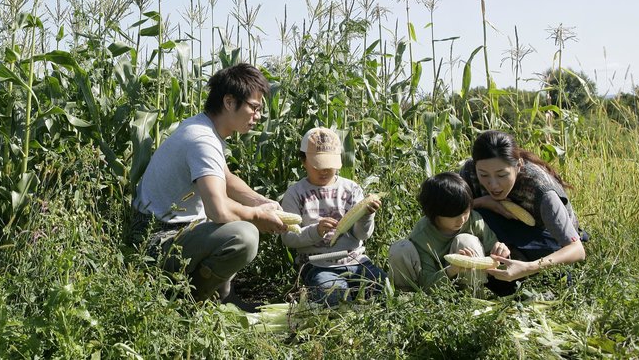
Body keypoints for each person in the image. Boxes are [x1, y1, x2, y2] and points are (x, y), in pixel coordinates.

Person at [130, 63, 287, 302]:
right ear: (229, 102)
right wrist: (256, 216)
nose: (258, 117)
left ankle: (218, 296)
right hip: (155, 239)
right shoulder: (202, 140)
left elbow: (226, 178)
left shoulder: (203, 128)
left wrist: (261, 201)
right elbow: (218, 210)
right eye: (254, 108)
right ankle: (187, 302)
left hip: (179, 230)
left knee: (236, 226)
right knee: (244, 235)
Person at [459, 130, 587, 283]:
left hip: (545, 239)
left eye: (501, 175)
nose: (493, 184)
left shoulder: (541, 191)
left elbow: (577, 249)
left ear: (518, 165)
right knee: (472, 213)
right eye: (484, 175)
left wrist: (528, 267)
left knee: (559, 276)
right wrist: (482, 202)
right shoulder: (469, 172)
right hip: (502, 233)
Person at [280, 127, 386, 306]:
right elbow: (288, 238)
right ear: (303, 161)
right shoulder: (295, 194)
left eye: (329, 166)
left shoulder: (351, 189)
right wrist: (316, 231)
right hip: (316, 265)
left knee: (385, 289)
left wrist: (366, 216)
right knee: (335, 298)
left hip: (355, 260)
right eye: (318, 165)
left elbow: (362, 235)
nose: (324, 171)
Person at [388, 172, 511, 293]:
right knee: (400, 248)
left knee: (466, 240)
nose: (462, 219)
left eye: (465, 212)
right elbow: (426, 283)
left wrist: (501, 253)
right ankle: (404, 296)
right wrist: (452, 270)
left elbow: (496, 259)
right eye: (454, 216)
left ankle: (473, 296)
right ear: (435, 215)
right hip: (435, 286)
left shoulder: (474, 219)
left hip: (468, 284)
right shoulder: (422, 236)